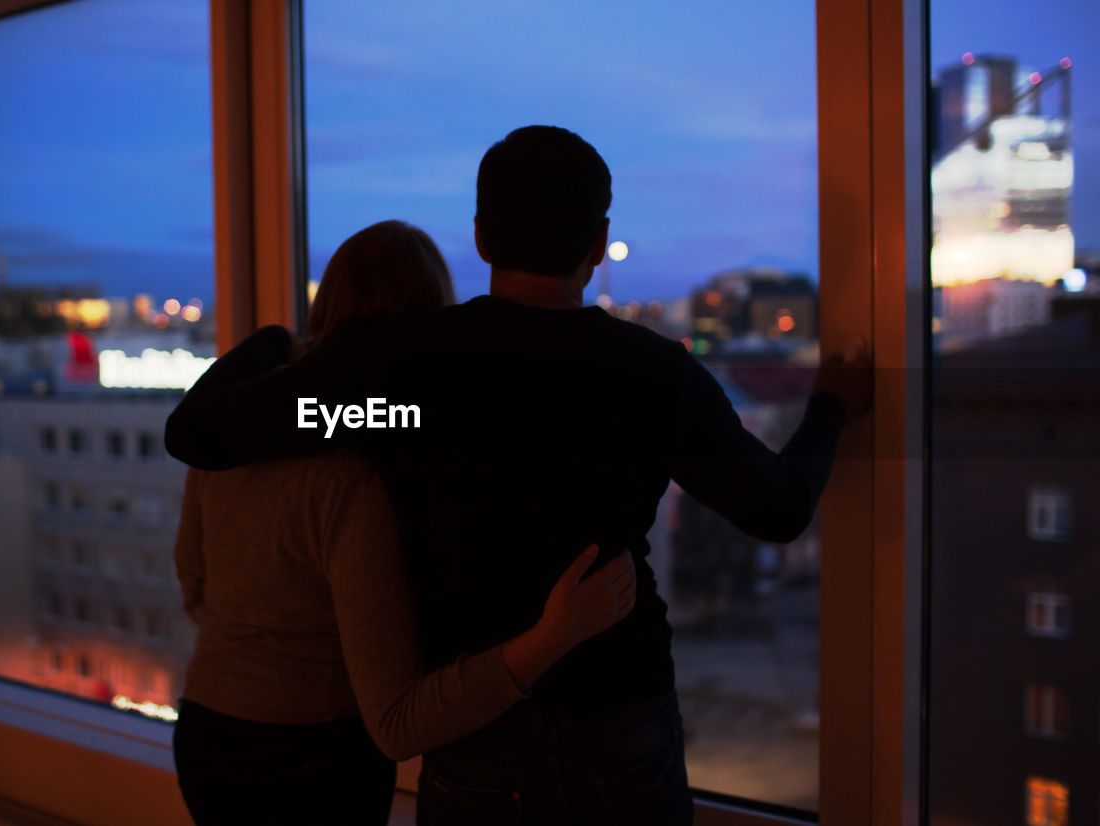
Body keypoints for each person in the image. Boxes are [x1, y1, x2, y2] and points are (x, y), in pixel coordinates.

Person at [167, 127, 873, 825]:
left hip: (478, 731)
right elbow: (778, 508)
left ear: (479, 237)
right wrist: (831, 408)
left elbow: (199, 432)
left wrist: (270, 342)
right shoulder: (652, 375)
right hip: (619, 711)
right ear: (597, 246)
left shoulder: (400, 375)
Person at [171, 219, 638, 826]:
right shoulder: (353, 473)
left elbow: (193, 581)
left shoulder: (230, 429)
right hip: (310, 760)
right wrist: (553, 635)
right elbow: (398, 723)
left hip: (206, 732)